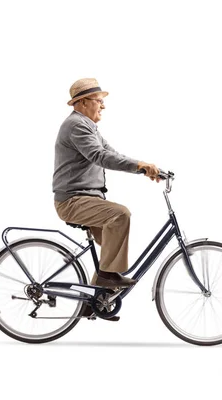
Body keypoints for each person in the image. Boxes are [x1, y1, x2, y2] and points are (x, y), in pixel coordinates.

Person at [53, 78, 160, 293]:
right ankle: (106, 279)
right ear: (83, 102)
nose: (103, 105)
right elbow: (100, 156)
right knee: (120, 215)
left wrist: (142, 167)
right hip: (73, 201)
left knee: (112, 251)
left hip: (87, 199)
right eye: (99, 100)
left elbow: (111, 153)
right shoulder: (76, 125)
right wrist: (139, 165)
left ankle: (94, 301)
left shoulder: (88, 127)